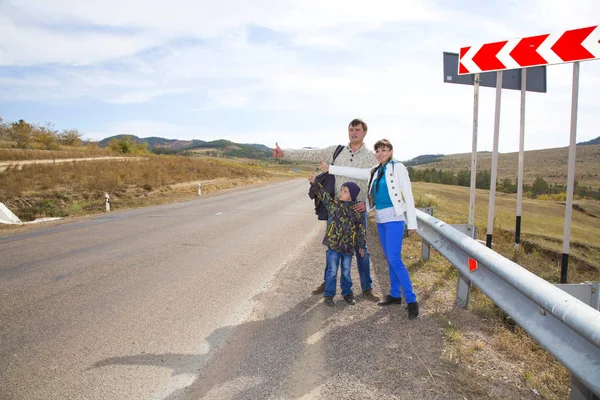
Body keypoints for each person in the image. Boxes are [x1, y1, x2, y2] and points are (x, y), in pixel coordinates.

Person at [272, 118, 379, 301]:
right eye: (351, 129)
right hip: (336, 210)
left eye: (358, 130)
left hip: (357, 210)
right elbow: (312, 154)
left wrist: (369, 204)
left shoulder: (371, 157)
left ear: (364, 133)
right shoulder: (337, 152)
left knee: (362, 249)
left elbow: (377, 183)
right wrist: (284, 154)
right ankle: (327, 283)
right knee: (332, 247)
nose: (354, 132)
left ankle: (367, 287)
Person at [321, 139, 419, 319]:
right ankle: (395, 295)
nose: (380, 153)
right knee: (390, 259)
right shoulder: (375, 171)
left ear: (390, 151)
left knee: (395, 259)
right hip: (381, 219)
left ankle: (412, 301)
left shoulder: (398, 168)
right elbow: (354, 172)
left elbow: (409, 195)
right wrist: (331, 169)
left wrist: (412, 223)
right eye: (378, 150)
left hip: (395, 219)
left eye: (384, 150)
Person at [308, 177, 366, 306]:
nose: (341, 193)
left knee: (346, 272)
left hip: (348, 248)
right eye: (341, 190)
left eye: (345, 191)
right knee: (332, 272)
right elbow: (322, 194)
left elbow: (361, 229)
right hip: (333, 246)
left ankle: (347, 293)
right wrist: (314, 183)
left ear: (352, 196)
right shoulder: (334, 204)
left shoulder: (357, 211)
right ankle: (329, 294)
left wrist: (361, 246)